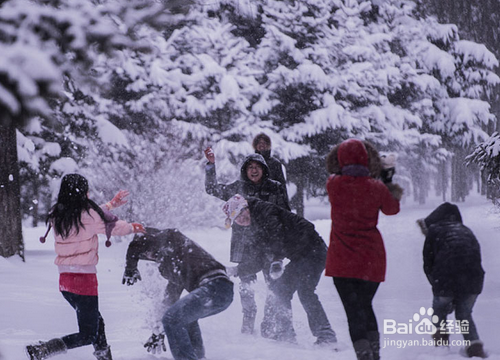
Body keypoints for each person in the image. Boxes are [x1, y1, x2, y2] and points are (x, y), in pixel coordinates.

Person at [26, 174, 146, 360]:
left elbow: (91, 217)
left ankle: (104, 357)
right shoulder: (88, 215)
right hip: (84, 282)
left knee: (97, 323)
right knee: (88, 334)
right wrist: (131, 227)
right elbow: (111, 226)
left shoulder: (58, 213)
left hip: (65, 282)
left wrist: (111, 205)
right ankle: (43, 350)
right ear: (82, 192)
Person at [222, 194, 337, 346]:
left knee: (303, 291)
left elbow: (278, 232)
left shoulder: (265, 210)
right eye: (236, 219)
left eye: (240, 215)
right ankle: (287, 333)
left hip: (313, 251)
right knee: (280, 290)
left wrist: (277, 258)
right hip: (300, 257)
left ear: (245, 208)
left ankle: (325, 336)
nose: (241, 220)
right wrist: (237, 270)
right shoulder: (254, 226)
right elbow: (260, 258)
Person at [325, 139, 402, 360]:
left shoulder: (333, 184)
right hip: (372, 258)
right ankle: (374, 354)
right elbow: (392, 209)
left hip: (342, 261)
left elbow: (341, 176)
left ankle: (365, 355)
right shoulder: (376, 187)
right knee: (365, 306)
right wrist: (387, 178)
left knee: (354, 311)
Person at [204, 147, 289, 335]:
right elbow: (211, 189)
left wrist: (286, 244)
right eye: (250, 166)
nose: (253, 170)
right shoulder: (237, 188)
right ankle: (248, 319)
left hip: (270, 244)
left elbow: (286, 215)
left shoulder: (275, 187)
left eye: (257, 166)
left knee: (273, 285)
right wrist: (211, 165)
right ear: (245, 170)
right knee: (246, 285)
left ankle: (268, 322)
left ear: (264, 169)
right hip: (245, 244)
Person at [122, 228, 234, 360]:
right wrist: (158, 331)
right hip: (219, 292)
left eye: (147, 250)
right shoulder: (171, 265)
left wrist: (130, 267)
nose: (148, 255)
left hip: (214, 286)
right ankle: (199, 357)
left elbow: (141, 240)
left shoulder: (172, 239)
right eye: (145, 255)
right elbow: (170, 299)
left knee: (172, 319)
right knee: (183, 318)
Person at [417, 203, 487, 358]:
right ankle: (475, 348)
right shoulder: (466, 231)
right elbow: (475, 259)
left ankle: (441, 349)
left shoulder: (434, 231)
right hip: (474, 279)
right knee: (464, 314)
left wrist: (439, 289)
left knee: (439, 311)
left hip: (446, 277)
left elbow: (428, 264)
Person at [252, 133, 288, 200]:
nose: (261, 145)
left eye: (264, 143)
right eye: (259, 143)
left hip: (272, 201)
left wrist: (284, 204)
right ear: (255, 145)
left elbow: (282, 186)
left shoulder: (275, 163)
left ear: (268, 145)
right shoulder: (250, 162)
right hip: (254, 201)